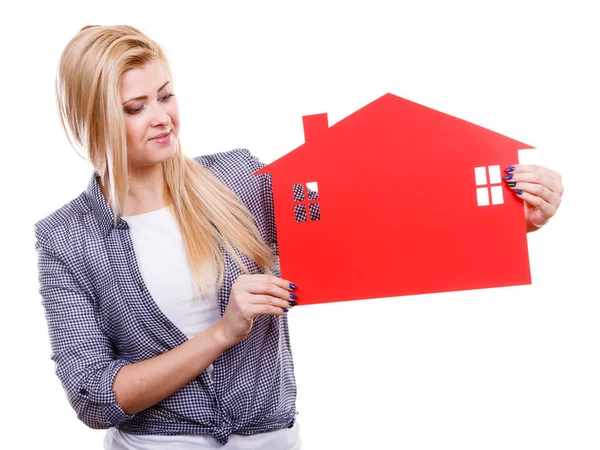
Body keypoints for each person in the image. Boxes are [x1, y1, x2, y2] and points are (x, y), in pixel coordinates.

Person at [34, 25, 564, 450]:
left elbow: (371, 222)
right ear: (94, 119)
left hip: (273, 440)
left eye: (166, 96)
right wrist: (223, 332)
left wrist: (506, 221)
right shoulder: (66, 239)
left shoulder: (239, 181)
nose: (161, 118)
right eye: (135, 108)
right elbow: (95, 398)